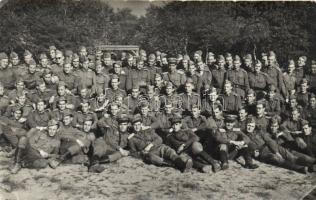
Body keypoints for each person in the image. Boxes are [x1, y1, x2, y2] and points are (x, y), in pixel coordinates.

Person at [245, 116, 315, 174]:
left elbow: (269, 141)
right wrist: (254, 150)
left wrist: (276, 151)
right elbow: (248, 144)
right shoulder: (244, 135)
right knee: (279, 160)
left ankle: (312, 165)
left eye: (252, 126)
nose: (250, 127)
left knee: (291, 157)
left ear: (254, 126)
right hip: (263, 153)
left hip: (274, 146)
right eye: (248, 125)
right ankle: (301, 169)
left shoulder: (259, 132)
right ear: (246, 125)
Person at [128, 114, 193, 172]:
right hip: (149, 153)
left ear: (141, 124)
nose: (137, 127)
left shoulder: (148, 131)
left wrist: (150, 145)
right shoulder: (132, 139)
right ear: (133, 126)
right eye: (135, 125)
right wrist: (142, 152)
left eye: (138, 124)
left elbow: (159, 139)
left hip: (158, 148)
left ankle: (182, 164)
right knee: (153, 158)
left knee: (170, 151)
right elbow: (133, 153)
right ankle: (176, 166)